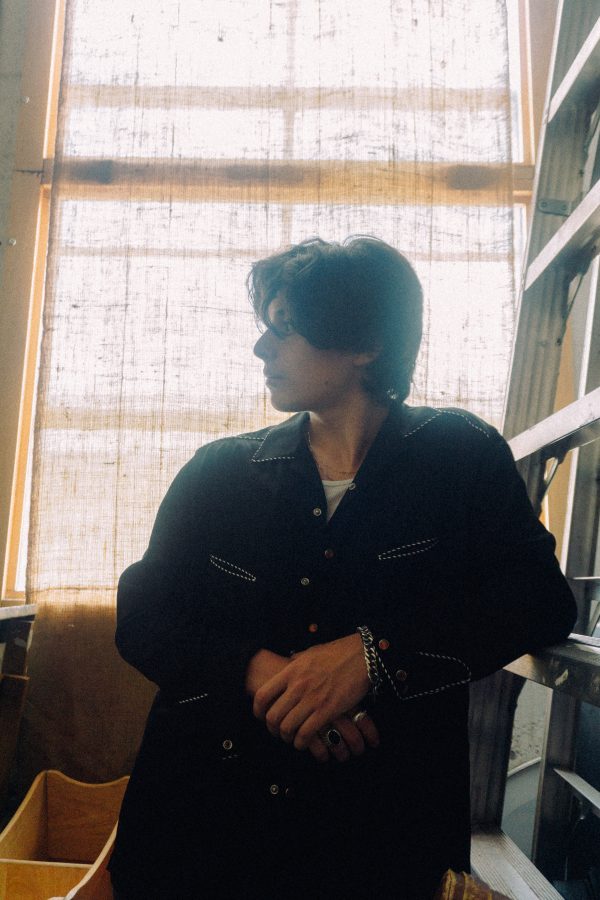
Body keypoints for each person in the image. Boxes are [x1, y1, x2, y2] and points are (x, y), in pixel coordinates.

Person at [109, 236, 576, 899]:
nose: (261, 348)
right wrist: (264, 675)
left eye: (284, 328)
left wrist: (372, 655)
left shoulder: (461, 457)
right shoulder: (219, 472)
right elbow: (143, 615)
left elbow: (539, 600)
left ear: (365, 344)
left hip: (377, 838)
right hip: (201, 831)